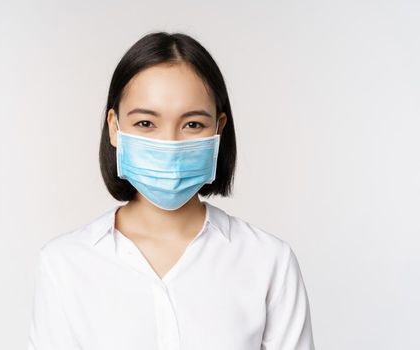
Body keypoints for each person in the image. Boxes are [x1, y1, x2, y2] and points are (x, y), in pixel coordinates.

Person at [26, 32, 315, 350]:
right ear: (114, 127)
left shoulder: (268, 261)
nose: (170, 143)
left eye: (192, 124)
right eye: (146, 124)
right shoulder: (65, 263)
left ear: (218, 130)